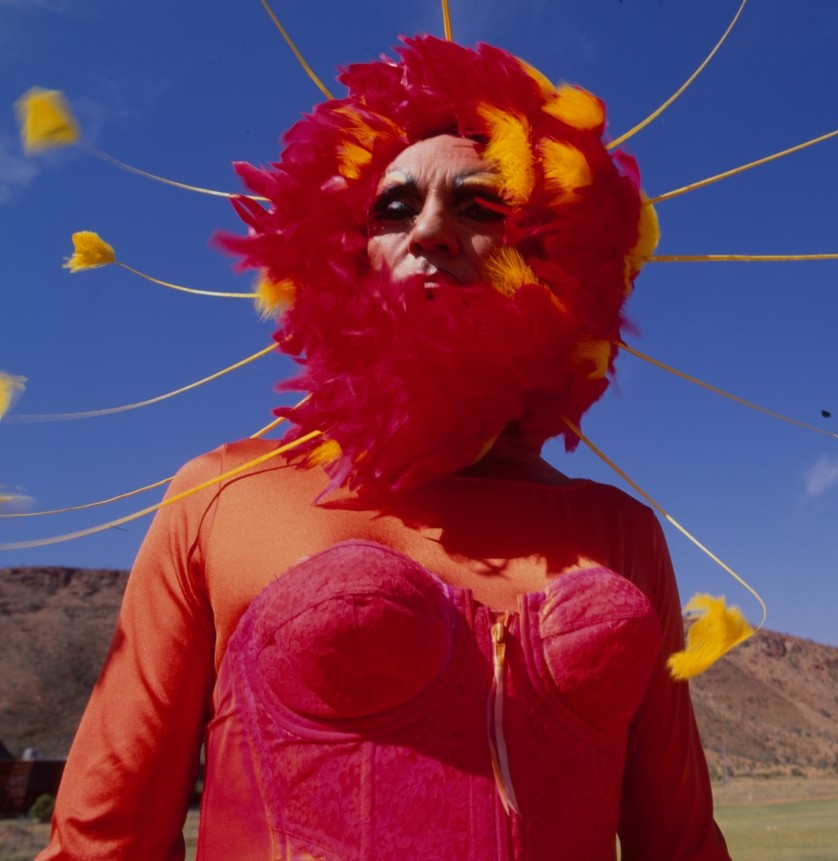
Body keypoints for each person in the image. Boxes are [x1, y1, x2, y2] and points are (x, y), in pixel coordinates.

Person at [38, 36, 729, 861]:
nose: (429, 229)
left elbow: (680, 844)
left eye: (482, 205)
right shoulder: (221, 497)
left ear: (548, 251)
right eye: (391, 209)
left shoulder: (622, 535)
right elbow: (100, 842)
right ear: (348, 253)